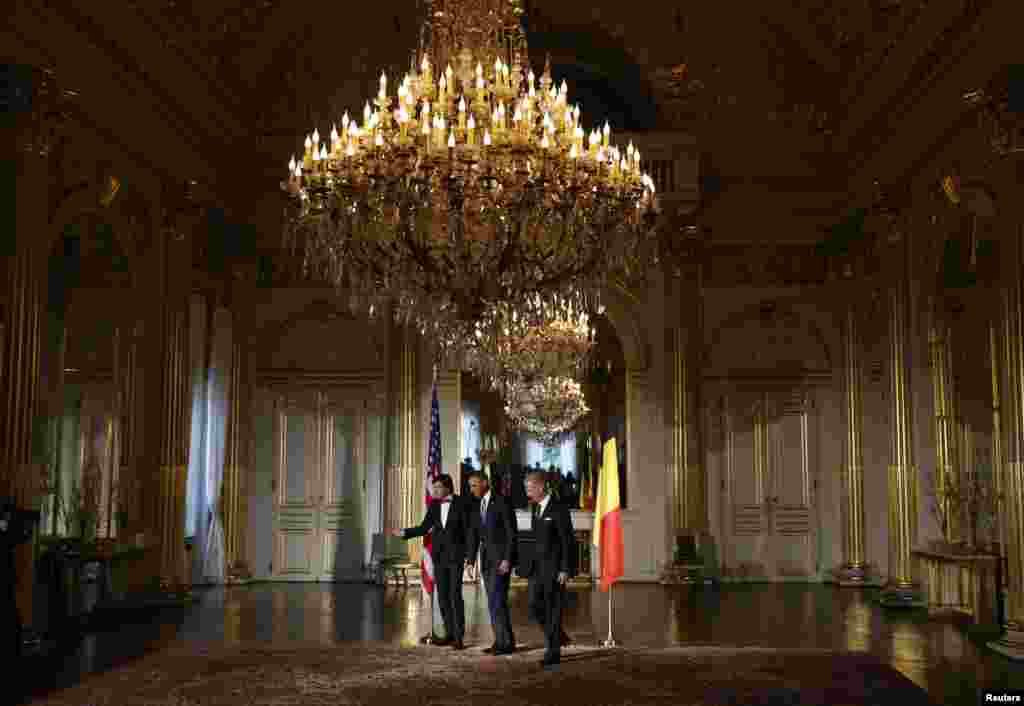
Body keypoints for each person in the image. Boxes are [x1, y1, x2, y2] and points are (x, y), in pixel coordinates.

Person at [389, 474, 473, 650]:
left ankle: (459, 637)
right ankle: (449, 634)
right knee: (442, 596)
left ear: (448, 488)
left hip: (456, 556)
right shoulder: (434, 505)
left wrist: (469, 556)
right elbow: (424, 527)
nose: (434, 491)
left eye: (437, 487)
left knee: (454, 595)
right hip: (439, 556)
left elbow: (468, 531)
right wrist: (405, 532)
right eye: (433, 488)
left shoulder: (462, 503)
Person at [519, 471, 573, 668]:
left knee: (553, 609)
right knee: (534, 606)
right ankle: (558, 636)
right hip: (536, 569)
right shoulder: (534, 508)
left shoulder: (559, 508)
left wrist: (565, 569)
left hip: (554, 569)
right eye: (526, 488)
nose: (527, 492)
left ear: (541, 487)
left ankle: (553, 650)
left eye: (530, 488)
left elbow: (567, 541)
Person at [465, 470, 517, 655]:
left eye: (474, 485)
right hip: (486, 560)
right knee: (493, 601)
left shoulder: (502, 501)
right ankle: (502, 640)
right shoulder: (477, 504)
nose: (472, 489)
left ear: (485, 483)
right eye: (470, 486)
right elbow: (473, 534)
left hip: (500, 560)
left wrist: (507, 559)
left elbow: (511, 533)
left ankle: (505, 643)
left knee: (497, 600)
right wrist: (470, 560)